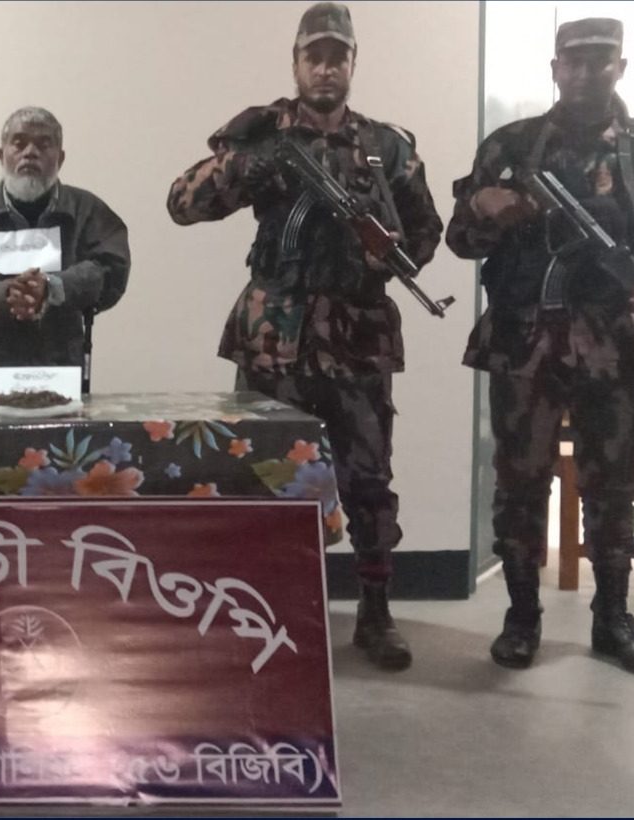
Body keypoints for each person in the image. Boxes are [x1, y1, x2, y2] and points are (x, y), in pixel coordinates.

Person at [166, 2, 442, 671]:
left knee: (368, 479)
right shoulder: (261, 133)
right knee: (264, 476)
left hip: (358, 336)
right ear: (295, 63)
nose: (325, 68)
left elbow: (426, 231)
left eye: (336, 57)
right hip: (274, 338)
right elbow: (182, 204)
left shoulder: (387, 146)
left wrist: (388, 252)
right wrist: (251, 167)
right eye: (313, 56)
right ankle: (266, 611)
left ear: (353, 64)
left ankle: (375, 612)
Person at [446, 18, 634, 678]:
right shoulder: (512, 145)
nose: (587, 73)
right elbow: (460, 240)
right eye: (575, 61)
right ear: (555, 67)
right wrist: (486, 206)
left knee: (614, 490)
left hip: (618, 347)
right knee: (520, 483)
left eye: (601, 61)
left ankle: (613, 619)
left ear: (622, 67)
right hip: (526, 345)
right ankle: (521, 617)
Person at [0, 107, 130, 396]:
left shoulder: (88, 211)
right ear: (1, 154)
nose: (30, 153)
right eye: (19, 143)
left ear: (60, 158)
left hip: (60, 371)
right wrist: (7, 295)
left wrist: (53, 287)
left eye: (43, 144)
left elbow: (111, 270)